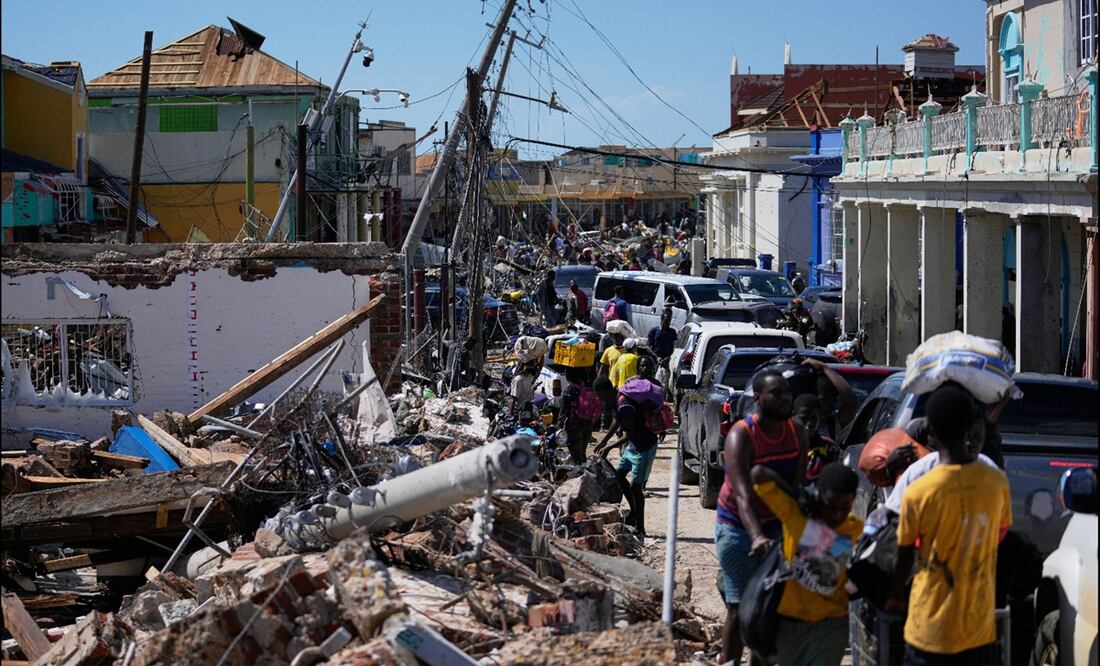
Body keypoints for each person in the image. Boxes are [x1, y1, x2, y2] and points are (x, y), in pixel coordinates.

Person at [885, 384, 1012, 665]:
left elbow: (904, 553)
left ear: (931, 434)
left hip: (928, 628)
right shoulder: (996, 481)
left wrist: (895, 596)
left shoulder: (919, 489)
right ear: (971, 430)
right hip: (978, 627)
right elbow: (999, 534)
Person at [716, 369, 808, 666]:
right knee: (741, 606)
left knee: (770, 610)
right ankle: (729, 660)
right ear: (758, 399)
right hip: (738, 526)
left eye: (787, 392)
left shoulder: (797, 432)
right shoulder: (742, 435)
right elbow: (742, 494)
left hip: (777, 526)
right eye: (776, 393)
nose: (785, 399)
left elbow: (796, 488)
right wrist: (756, 535)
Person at [750, 462, 862, 666]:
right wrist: (797, 494)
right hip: (792, 624)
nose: (837, 515)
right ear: (819, 496)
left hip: (832, 622)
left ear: (853, 500)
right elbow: (758, 473)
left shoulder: (854, 527)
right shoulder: (796, 516)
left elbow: (843, 572)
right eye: (830, 506)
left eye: (844, 508)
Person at [596, 356, 662, 536]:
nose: (600, 401)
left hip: (644, 446)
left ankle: (641, 527)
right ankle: (633, 514)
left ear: (604, 392)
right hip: (633, 446)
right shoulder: (619, 397)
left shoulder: (624, 404)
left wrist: (609, 447)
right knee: (619, 476)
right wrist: (604, 440)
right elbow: (617, 422)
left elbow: (631, 433)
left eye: (599, 396)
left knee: (636, 488)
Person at [793, 393, 842, 483]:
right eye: (803, 418)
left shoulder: (830, 447)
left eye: (814, 419)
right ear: (793, 416)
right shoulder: (783, 445)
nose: (809, 423)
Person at [559, 367, 597, 464]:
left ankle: (579, 475)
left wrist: (559, 427)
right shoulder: (586, 385)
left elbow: (563, 412)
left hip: (574, 427)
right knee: (582, 453)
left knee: (575, 456)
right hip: (587, 425)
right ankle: (584, 472)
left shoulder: (569, 389)